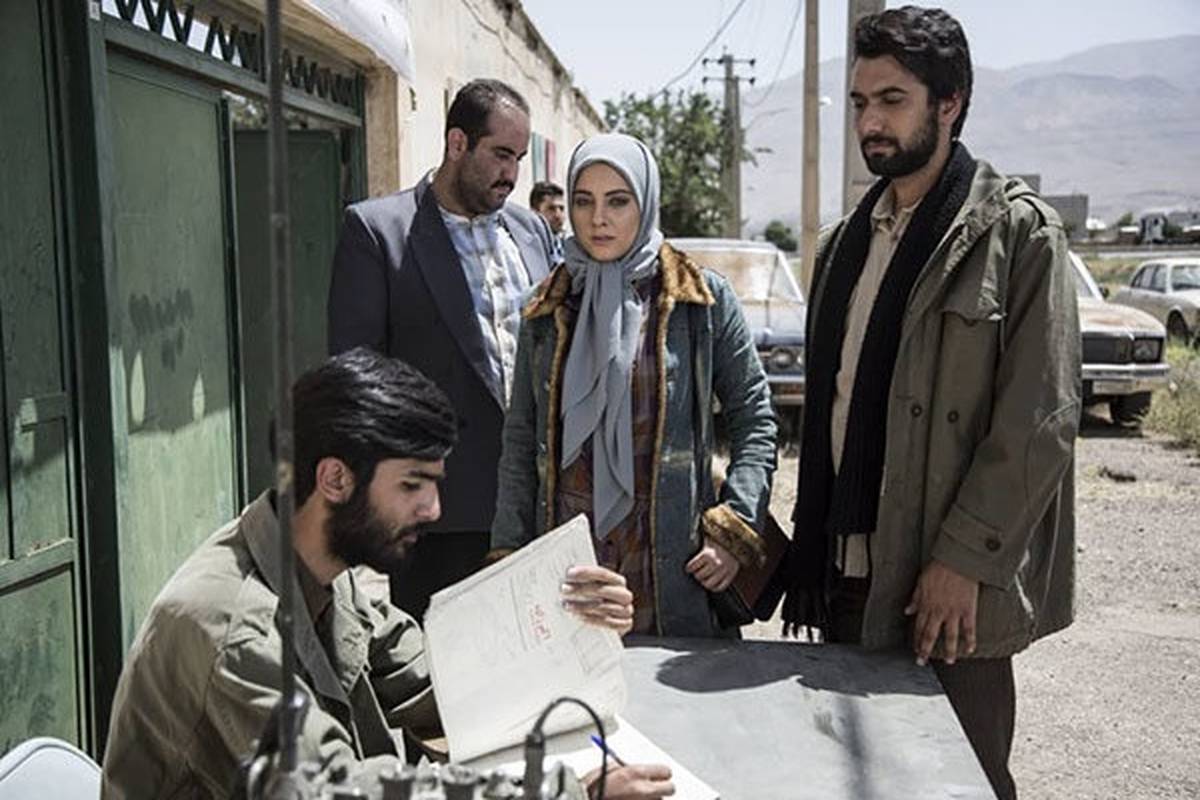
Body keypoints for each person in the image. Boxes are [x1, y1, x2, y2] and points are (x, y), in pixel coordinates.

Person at [100, 349, 672, 799]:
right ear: (335, 480)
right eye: (411, 485)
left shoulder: (328, 569)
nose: (433, 510)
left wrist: (577, 626)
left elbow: (447, 683)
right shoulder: (234, 631)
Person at [782, 7, 1080, 800]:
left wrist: (963, 562)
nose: (870, 123)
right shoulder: (844, 245)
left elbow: (1040, 422)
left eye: (892, 100)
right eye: (859, 102)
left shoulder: (1018, 237)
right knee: (845, 783)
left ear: (950, 103)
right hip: (846, 575)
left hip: (946, 594)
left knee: (959, 785)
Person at [490, 133, 778, 637]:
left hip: (668, 562)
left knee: (669, 687)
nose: (598, 219)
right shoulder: (547, 306)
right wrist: (509, 551)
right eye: (584, 201)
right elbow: (520, 440)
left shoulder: (700, 300)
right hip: (569, 562)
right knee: (579, 683)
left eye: (618, 201)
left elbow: (754, 420)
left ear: (645, 203)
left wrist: (733, 529)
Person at [328, 79, 558, 621]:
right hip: (439, 516)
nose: (512, 174)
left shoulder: (531, 231)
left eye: (519, 158)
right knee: (441, 665)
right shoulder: (379, 231)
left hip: (540, 507)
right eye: (501, 154)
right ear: (457, 143)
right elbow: (357, 377)